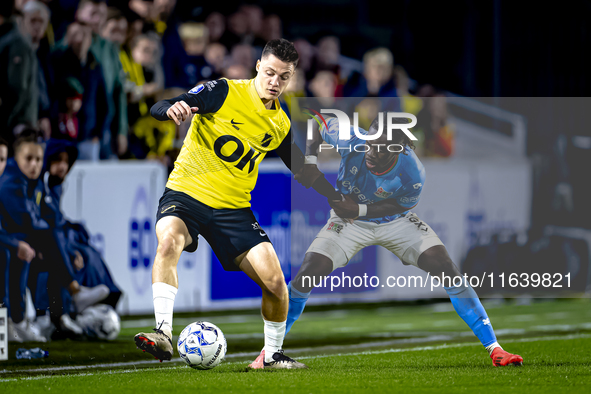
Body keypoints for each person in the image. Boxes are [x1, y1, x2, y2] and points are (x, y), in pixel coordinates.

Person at [134, 38, 339, 369]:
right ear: (258, 66)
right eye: (269, 73)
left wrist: (333, 195)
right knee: (168, 240)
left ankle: (271, 356)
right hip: (186, 195)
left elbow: (299, 166)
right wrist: (171, 109)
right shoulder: (224, 92)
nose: (274, 82)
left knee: (276, 284)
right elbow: (166, 104)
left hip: (234, 211)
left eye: (283, 77)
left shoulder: (280, 122)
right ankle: (162, 333)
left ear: (292, 77)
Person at [286, 114, 525, 367]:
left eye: (380, 148)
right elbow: (315, 123)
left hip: (394, 220)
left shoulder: (414, 172)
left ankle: (495, 348)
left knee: (447, 268)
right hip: (348, 222)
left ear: (398, 149)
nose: (371, 151)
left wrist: (361, 210)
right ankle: (270, 351)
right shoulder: (351, 138)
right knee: (308, 272)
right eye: (370, 143)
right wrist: (310, 160)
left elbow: (400, 204)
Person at [0, 130, 110, 339]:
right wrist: (20, 246)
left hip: (21, 241)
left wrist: (66, 251)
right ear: (17, 158)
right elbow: (29, 222)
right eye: (29, 159)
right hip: (12, 243)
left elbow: (50, 218)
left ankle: (59, 316)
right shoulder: (12, 181)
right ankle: (18, 319)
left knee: (55, 252)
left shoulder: (35, 181)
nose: (34, 164)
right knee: (37, 247)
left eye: (38, 159)